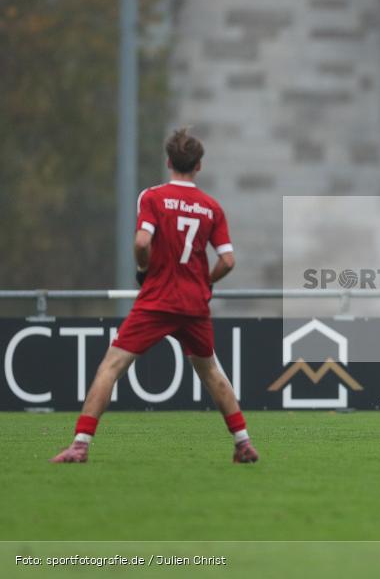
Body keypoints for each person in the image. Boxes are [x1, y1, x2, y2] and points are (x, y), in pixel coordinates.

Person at [51, 129, 258, 464]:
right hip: (193, 303)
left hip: (158, 299)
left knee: (111, 367)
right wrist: (203, 281)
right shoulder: (212, 207)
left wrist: (144, 268)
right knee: (211, 371)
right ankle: (243, 442)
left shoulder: (152, 197)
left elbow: (142, 242)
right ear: (199, 166)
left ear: (168, 161)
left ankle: (80, 444)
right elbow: (228, 260)